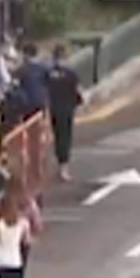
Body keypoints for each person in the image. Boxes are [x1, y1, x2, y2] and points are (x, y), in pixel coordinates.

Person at [45, 45, 84, 182]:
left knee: (52, 137)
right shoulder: (71, 73)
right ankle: (63, 169)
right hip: (67, 109)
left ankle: (51, 167)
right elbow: (78, 91)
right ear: (65, 57)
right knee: (65, 137)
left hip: (51, 109)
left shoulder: (48, 73)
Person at [16, 43, 50, 118]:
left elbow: (14, 83)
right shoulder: (44, 68)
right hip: (41, 101)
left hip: (27, 103)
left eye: (22, 54)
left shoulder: (22, 69)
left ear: (26, 55)